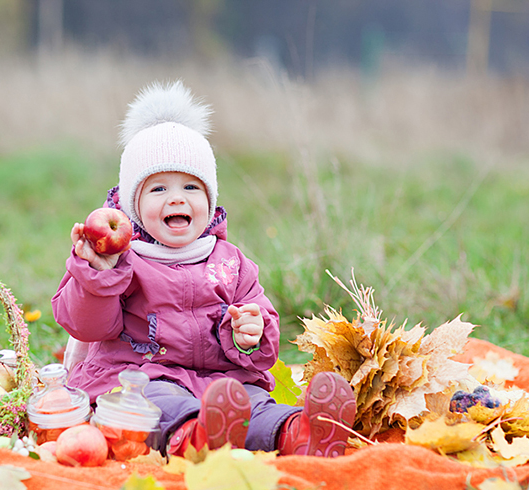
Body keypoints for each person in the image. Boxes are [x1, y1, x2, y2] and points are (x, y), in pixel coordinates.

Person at [51, 80, 356, 458]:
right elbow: (88, 326)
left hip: (223, 383)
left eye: (191, 188)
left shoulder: (230, 262)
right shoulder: (120, 261)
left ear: (210, 200)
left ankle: (299, 433)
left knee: (254, 405)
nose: (177, 198)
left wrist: (251, 334)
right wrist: (97, 274)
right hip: (144, 376)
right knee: (156, 404)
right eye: (158, 189)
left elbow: (263, 340)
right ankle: (197, 435)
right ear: (132, 206)